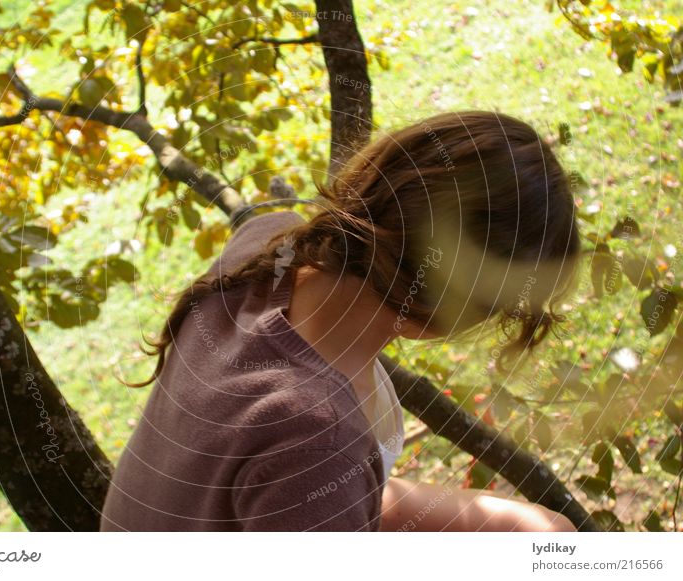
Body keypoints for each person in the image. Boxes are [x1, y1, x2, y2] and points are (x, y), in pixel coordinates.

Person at [99, 110, 580, 532]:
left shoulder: (268, 242)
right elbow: (309, 466)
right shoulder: (317, 438)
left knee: (545, 535)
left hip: (232, 514)